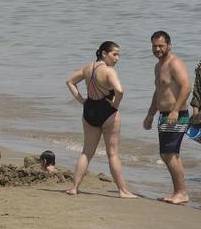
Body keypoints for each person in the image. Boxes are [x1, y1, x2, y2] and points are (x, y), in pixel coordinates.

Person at [65, 41, 135, 198]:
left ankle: (74, 187)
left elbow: (69, 82)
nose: (117, 58)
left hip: (89, 110)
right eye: (114, 54)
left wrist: (82, 100)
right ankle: (123, 191)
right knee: (113, 154)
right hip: (107, 112)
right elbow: (120, 90)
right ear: (103, 53)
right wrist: (115, 105)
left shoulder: (87, 68)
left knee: (87, 152)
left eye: (118, 55)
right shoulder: (109, 72)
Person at [143, 31, 191, 205]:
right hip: (164, 115)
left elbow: (186, 87)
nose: (157, 49)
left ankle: (181, 193)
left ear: (169, 45)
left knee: (168, 154)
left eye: (161, 45)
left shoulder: (174, 63)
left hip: (176, 115)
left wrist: (175, 110)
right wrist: (150, 114)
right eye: (155, 45)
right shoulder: (159, 66)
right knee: (169, 154)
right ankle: (178, 192)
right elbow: (159, 92)